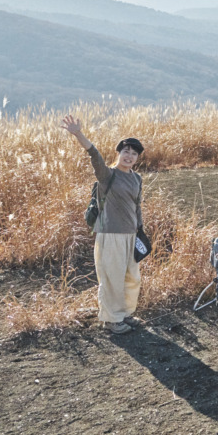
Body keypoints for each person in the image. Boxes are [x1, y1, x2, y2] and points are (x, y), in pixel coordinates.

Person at [61, 115, 143, 335]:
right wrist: (78, 133)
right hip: (111, 233)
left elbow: (137, 206)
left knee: (131, 278)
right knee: (112, 278)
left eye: (134, 154)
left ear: (137, 158)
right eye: (126, 151)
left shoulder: (137, 178)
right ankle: (111, 320)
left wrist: (141, 230)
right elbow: (94, 154)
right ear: (119, 153)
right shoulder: (107, 175)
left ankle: (125, 313)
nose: (129, 156)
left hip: (131, 235)